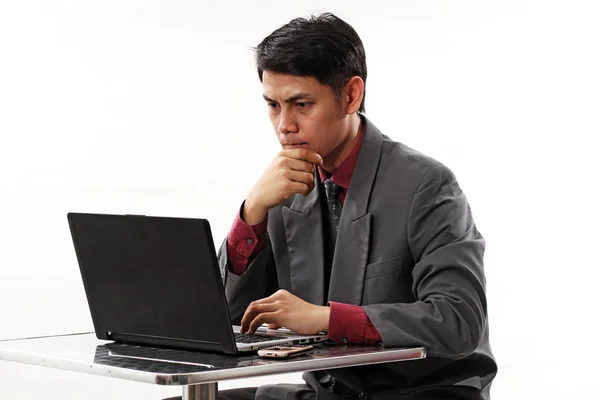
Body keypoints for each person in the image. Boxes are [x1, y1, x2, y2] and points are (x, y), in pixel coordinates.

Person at [218, 12, 497, 400]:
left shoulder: (427, 185)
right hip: (332, 391)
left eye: (301, 104)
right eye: (273, 105)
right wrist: (252, 213)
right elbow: (228, 321)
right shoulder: (282, 189)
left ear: (351, 95)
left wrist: (326, 319)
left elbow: (459, 320)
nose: (284, 125)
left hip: (422, 391)